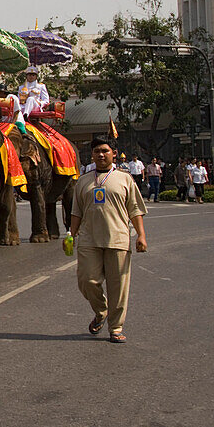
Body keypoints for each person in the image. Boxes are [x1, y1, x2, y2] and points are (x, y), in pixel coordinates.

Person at [69, 136, 148, 344]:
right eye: (97, 151)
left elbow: (135, 209)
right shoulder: (83, 181)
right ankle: (101, 311)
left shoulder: (125, 179)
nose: (101, 155)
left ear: (114, 153)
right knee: (87, 280)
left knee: (118, 286)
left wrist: (141, 235)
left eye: (105, 151)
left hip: (118, 239)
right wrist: (71, 234)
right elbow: (76, 211)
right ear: (92, 155)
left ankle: (116, 327)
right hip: (88, 240)